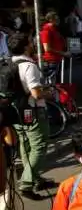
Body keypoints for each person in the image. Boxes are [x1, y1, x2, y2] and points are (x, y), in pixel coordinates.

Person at [9, 33, 52, 200]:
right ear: (26, 46)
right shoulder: (29, 66)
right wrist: (49, 93)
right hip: (33, 111)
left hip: (16, 111)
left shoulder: (9, 63)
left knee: (26, 145)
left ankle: (35, 178)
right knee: (39, 145)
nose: (33, 44)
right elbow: (36, 93)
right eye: (31, 42)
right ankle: (27, 183)